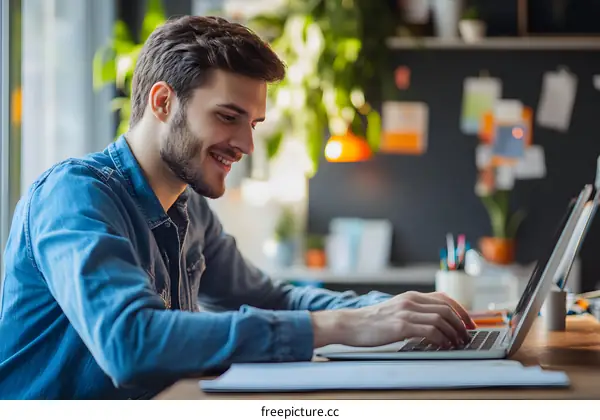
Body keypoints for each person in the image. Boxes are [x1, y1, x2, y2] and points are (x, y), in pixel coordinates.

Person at [0, 15, 475, 399]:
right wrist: (340, 325)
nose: (247, 143)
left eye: (254, 123)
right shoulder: (73, 195)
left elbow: (274, 300)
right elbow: (132, 342)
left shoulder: (189, 209)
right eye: (229, 117)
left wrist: (388, 311)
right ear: (163, 102)